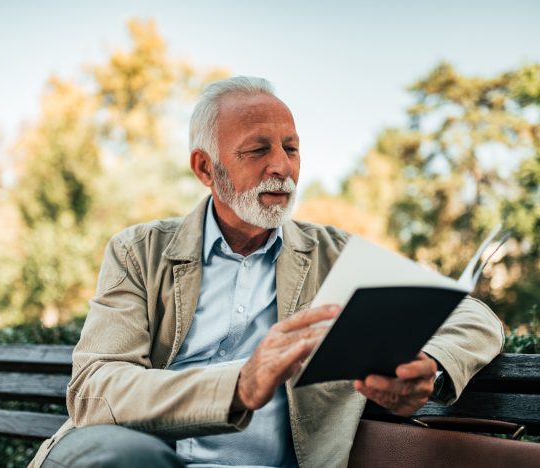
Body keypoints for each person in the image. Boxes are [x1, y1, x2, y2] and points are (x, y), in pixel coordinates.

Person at [29, 77, 504, 468]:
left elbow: (475, 317)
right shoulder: (139, 251)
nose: (282, 167)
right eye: (257, 150)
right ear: (205, 168)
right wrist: (239, 384)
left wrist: (433, 368)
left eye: (291, 148)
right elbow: (96, 390)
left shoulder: (335, 255)